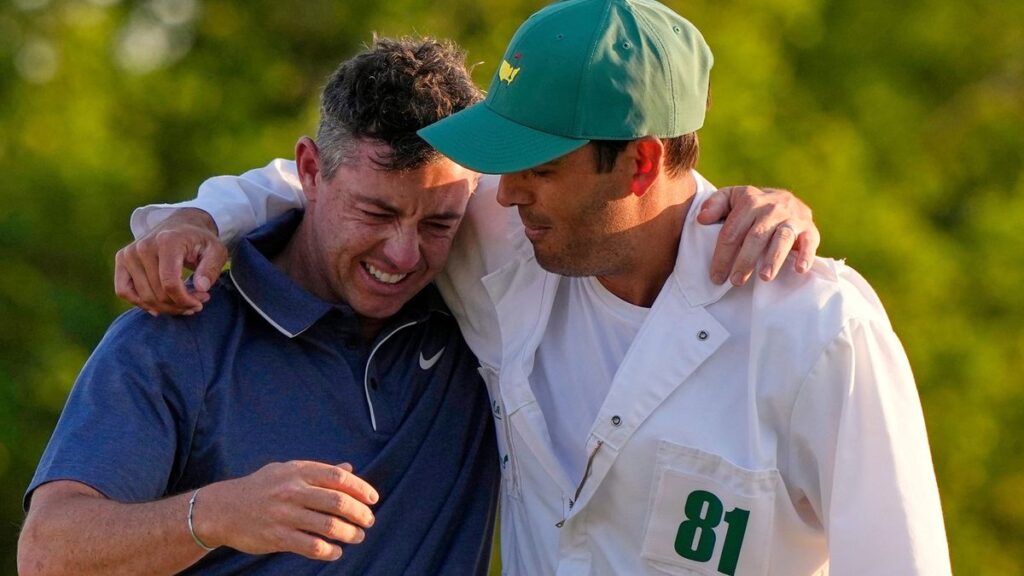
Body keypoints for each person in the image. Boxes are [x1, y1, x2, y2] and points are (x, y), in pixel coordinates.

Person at [108, 7, 924, 576]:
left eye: (539, 167)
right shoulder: (501, 237)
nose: (503, 193)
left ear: (641, 163)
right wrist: (196, 219)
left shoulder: (821, 334)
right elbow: (332, 185)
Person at [18, 37, 501, 575]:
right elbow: (46, 554)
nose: (404, 254)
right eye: (375, 213)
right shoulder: (176, 336)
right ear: (310, 171)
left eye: (438, 223)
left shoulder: (483, 319)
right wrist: (214, 515)